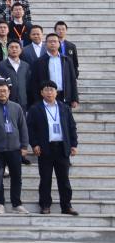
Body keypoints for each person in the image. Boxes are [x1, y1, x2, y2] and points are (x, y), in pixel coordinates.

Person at [27, 81, 79, 215]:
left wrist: (74, 144)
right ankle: (45, 205)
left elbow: (72, 127)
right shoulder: (35, 109)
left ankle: (66, 206)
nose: (49, 92)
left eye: (52, 90)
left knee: (64, 179)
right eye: (46, 90)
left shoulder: (64, 108)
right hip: (45, 148)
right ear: (41, 92)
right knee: (45, 179)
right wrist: (34, 144)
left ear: (56, 92)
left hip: (62, 148)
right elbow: (30, 129)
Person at [0, 84, 30, 214]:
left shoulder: (16, 107)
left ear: (9, 92)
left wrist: (24, 145)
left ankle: (16, 203)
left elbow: (23, 127)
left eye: (5, 91)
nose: (2, 93)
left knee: (16, 177)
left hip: (15, 148)